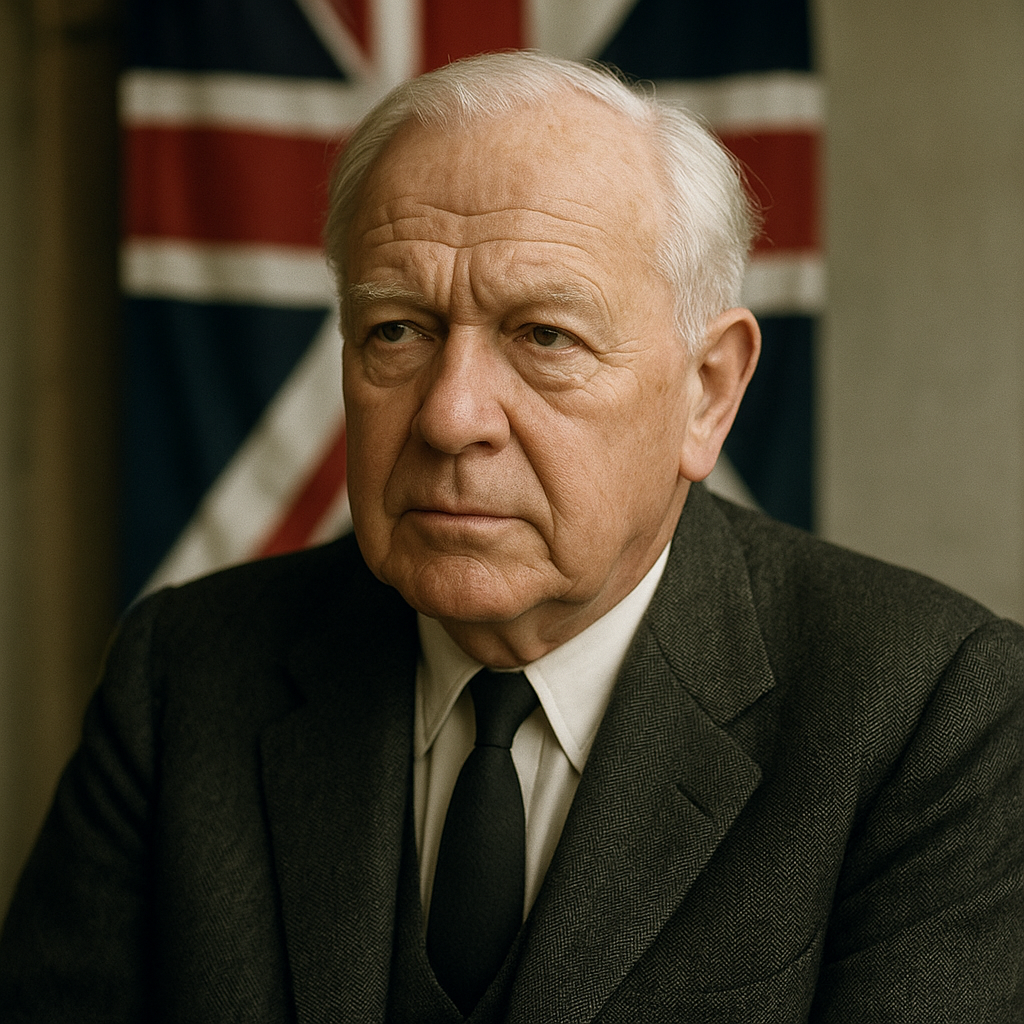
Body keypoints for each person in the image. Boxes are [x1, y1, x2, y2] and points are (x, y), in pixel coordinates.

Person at [1, 50, 1022, 1023]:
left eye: (544, 336)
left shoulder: (931, 713)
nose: (450, 417)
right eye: (397, 330)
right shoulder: (183, 674)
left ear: (707, 393)